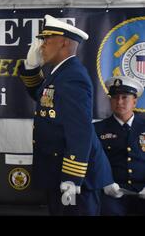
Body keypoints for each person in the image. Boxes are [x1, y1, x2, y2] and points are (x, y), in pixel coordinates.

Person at [19, 14, 113, 215]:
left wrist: (72, 177)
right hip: (57, 171)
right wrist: (31, 68)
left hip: (74, 177)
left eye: (47, 40)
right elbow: (42, 97)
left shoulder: (72, 77)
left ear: (64, 43)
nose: (41, 45)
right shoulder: (60, 72)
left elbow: (80, 130)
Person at [94, 75, 145, 215]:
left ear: (134, 101)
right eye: (115, 97)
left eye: (125, 97)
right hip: (112, 193)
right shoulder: (97, 130)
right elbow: (91, 163)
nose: (119, 101)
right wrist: (105, 183)